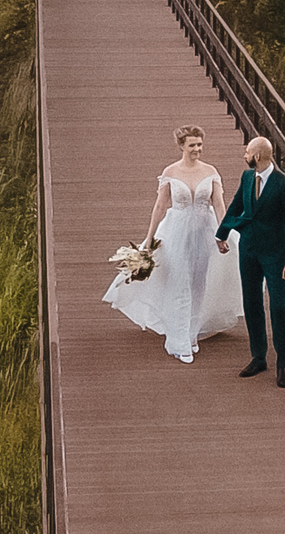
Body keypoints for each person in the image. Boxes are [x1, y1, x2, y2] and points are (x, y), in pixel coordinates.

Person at [103, 123, 244, 361]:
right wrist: (149, 239)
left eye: (200, 144)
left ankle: (190, 334)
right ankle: (178, 343)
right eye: (192, 145)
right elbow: (160, 206)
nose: (197, 149)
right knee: (179, 283)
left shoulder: (210, 171)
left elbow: (219, 205)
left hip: (204, 232)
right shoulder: (170, 172)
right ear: (181, 146)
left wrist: (223, 233)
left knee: (198, 284)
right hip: (176, 232)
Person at [216, 135, 285, 388]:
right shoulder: (246, 177)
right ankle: (258, 356)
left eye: (247, 152)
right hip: (249, 249)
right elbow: (236, 205)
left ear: (259, 156)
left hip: (275, 253)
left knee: (278, 307)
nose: (244, 155)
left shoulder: (283, 184)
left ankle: (283, 363)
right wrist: (221, 233)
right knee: (251, 303)